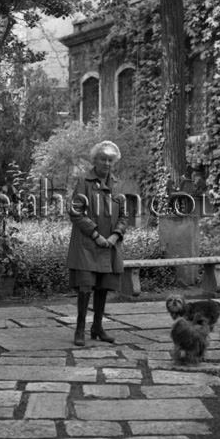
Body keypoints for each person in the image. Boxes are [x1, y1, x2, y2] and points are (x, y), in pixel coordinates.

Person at [66, 140, 128, 346]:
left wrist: (115, 236)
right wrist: (95, 234)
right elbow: (75, 211)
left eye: (110, 160)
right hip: (87, 244)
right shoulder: (84, 181)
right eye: (103, 159)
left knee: (103, 287)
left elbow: (124, 216)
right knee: (85, 287)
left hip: (109, 245)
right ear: (95, 160)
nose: (107, 163)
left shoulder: (117, 184)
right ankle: (80, 329)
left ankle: (98, 327)